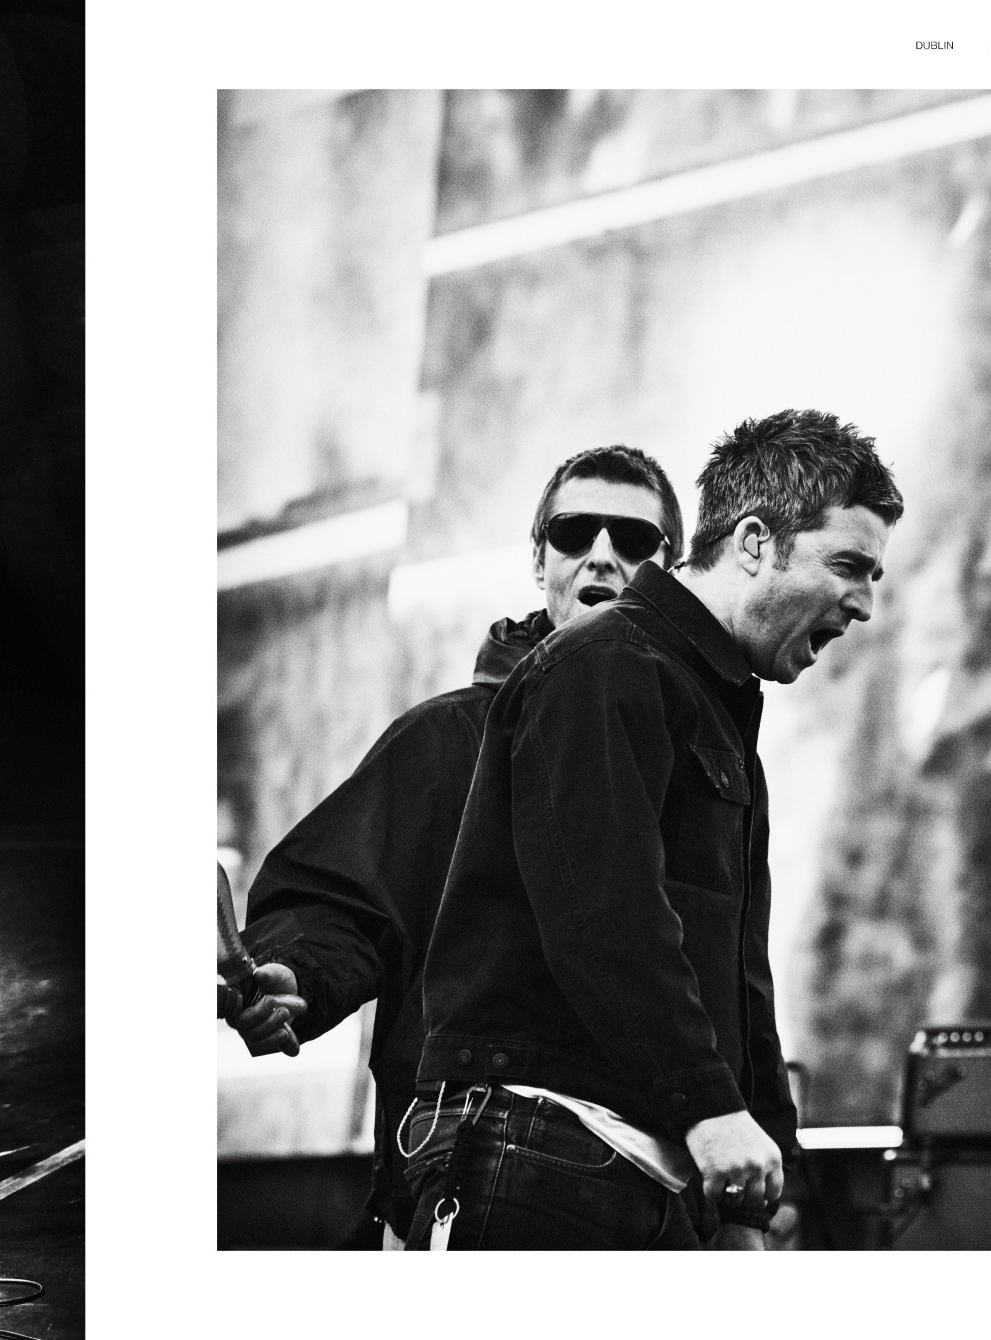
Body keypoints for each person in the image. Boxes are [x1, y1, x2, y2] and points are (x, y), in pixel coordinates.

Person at [401, 408, 902, 1250]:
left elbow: (737, 977)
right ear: (752, 542)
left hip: (631, 1172)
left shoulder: (708, 704)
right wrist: (709, 1111)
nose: (861, 603)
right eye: (849, 565)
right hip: (542, 1149)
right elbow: (606, 916)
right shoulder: (603, 667)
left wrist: (757, 1179)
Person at [223, 444, 685, 1246]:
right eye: (576, 532)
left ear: (668, 570)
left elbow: (729, 979)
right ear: (540, 558)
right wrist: (291, 975)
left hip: (659, 1211)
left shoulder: (700, 764)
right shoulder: (446, 743)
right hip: (470, 1189)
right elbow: (340, 903)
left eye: (635, 540)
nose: (604, 555)